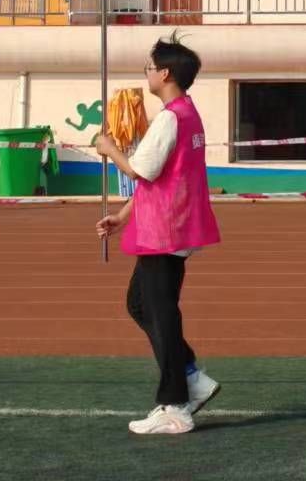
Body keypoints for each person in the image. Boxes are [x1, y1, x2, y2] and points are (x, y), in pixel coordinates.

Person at [93, 36, 223, 436]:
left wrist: (108, 148)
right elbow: (160, 177)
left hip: (166, 228)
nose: (146, 74)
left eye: (149, 68)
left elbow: (139, 170)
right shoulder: (187, 113)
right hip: (169, 222)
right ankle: (191, 377)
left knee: (161, 312)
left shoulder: (171, 118)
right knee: (142, 304)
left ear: (165, 73)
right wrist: (123, 215)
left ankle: (176, 404)